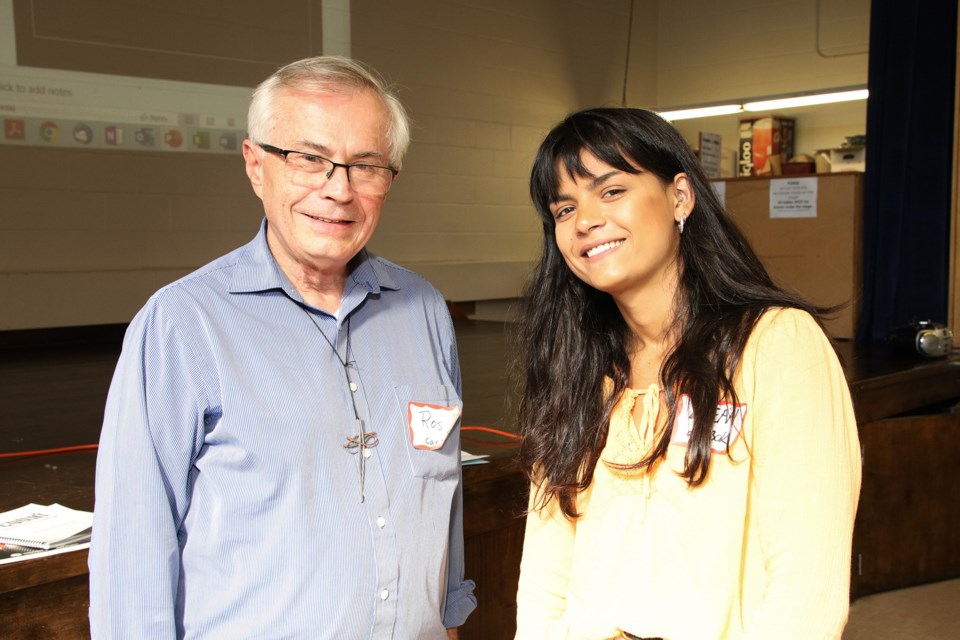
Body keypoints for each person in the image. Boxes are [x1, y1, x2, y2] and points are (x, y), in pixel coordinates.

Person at [88, 56, 475, 639]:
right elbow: (133, 558)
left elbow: (444, 500)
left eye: (366, 165)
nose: (338, 190)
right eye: (309, 159)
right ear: (255, 165)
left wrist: (448, 619)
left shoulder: (423, 311)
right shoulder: (182, 324)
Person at [512, 108, 861, 640]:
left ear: (680, 196)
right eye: (564, 208)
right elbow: (546, 575)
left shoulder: (776, 346)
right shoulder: (577, 370)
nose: (584, 220)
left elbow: (805, 592)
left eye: (610, 191)